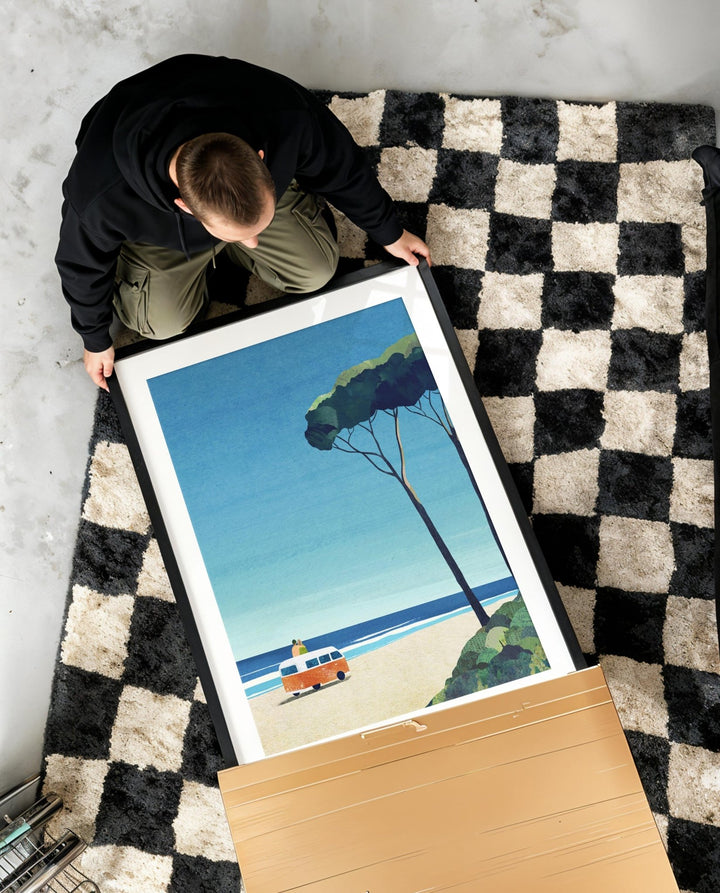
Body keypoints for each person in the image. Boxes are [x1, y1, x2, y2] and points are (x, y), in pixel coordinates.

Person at [55, 54, 432, 391]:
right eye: (240, 237)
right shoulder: (100, 195)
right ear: (184, 207)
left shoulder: (284, 112)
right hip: (157, 237)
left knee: (316, 272)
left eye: (256, 230)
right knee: (161, 325)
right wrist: (95, 339)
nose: (254, 243)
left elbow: (342, 167)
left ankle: (250, 222)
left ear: (262, 158)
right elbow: (80, 265)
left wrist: (389, 231)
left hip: (239, 175)